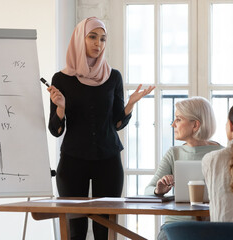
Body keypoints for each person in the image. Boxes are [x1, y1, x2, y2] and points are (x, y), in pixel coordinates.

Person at [47, 17, 154, 240]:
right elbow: (55, 130)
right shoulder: (61, 79)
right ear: (79, 39)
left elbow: (117, 123)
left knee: (104, 230)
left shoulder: (113, 76)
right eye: (93, 37)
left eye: (103, 39)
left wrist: (130, 104)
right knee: (75, 231)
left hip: (108, 160)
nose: (99, 44)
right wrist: (60, 108)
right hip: (73, 160)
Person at [144, 96, 223, 240]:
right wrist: (158, 190)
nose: (173, 124)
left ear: (195, 125)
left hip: (211, 227)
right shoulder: (174, 153)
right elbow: (147, 191)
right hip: (175, 227)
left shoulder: (222, 154)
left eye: (178, 119)